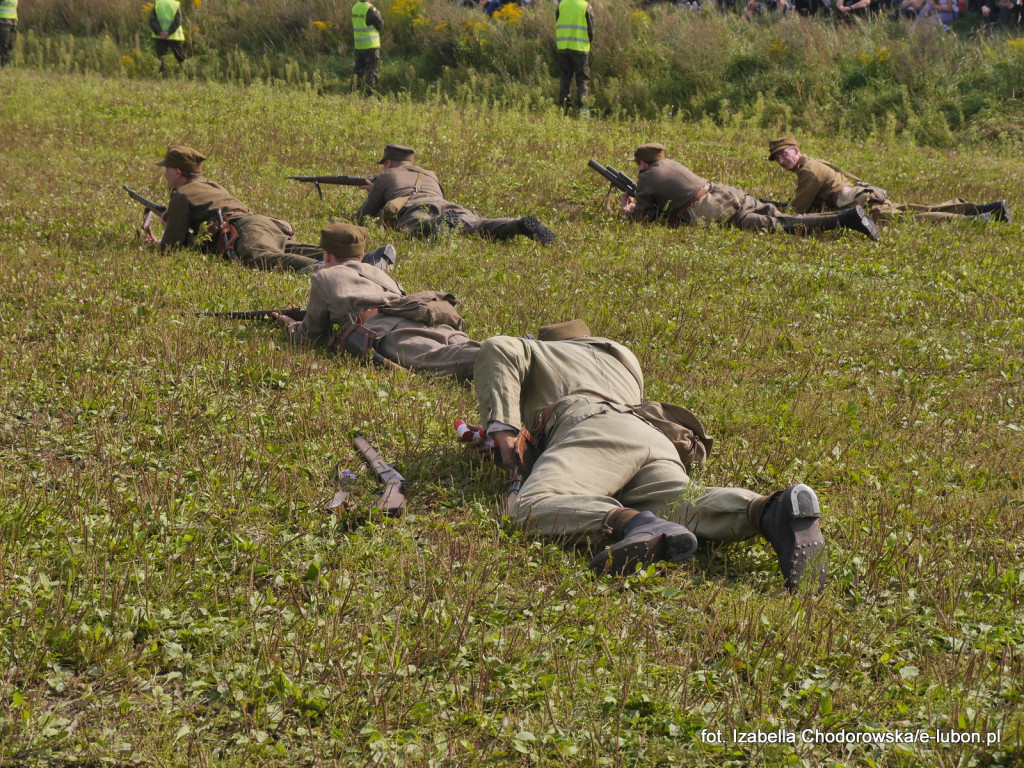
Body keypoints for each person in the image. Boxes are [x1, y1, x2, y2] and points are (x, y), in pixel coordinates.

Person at [469, 319, 827, 592]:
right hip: (650, 435)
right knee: (683, 501)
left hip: (589, 425)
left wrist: (503, 428)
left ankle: (635, 525)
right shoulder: (621, 357)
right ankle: (769, 510)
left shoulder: (542, 351)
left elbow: (498, 349)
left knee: (529, 507)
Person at [273, 223, 481, 379]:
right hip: (424, 319)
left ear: (326, 256)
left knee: (443, 360)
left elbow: (309, 337)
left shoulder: (324, 277)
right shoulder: (378, 271)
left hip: (386, 330)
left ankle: (504, 354)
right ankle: (511, 349)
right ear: (362, 255)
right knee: (470, 347)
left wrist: (291, 324)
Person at [620, 142, 880, 240]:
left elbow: (644, 217)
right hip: (729, 194)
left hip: (718, 211)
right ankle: (845, 218)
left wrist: (628, 211)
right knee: (776, 213)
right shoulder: (669, 164)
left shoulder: (647, 177)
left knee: (782, 224)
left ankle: (845, 219)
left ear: (642, 164)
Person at [152, 145, 326, 273]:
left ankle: (322, 269)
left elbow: (170, 246)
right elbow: (201, 242)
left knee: (257, 258)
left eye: (166, 169)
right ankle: (344, 258)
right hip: (262, 223)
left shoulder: (181, 194)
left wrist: (167, 229)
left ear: (177, 172)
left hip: (242, 228)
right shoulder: (212, 185)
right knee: (290, 249)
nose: (164, 174)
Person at [767, 135, 1012, 224]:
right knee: (917, 209)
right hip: (862, 198)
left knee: (913, 218)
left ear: (796, 150)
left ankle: (978, 219)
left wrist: (776, 210)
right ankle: (987, 210)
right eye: (777, 158)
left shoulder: (808, 171)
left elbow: (797, 209)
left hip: (860, 204)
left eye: (784, 154)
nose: (781, 161)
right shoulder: (811, 164)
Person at [357, 144, 556, 243]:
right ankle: (518, 224)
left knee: (417, 226)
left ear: (389, 162)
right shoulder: (430, 174)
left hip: (414, 207)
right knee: (479, 225)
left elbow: (363, 216)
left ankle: (436, 225)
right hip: (446, 205)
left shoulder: (386, 174)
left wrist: (372, 193)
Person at [555, 0, 594, 113]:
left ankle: (564, 110)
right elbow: (591, 31)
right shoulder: (585, 6)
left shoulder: (561, 5)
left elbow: (557, 23)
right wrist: (588, 43)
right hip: (580, 48)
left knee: (565, 79)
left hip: (563, 48)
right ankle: (583, 110)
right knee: (582, 80)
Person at [352, 0, 383, 95]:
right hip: (371, 44)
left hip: (359, 44)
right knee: (371, 70)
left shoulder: (355, 7)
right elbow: (380, 24)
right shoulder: (370, 9)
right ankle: (370, 94)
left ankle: (353, 92)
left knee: (358, 70)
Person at [149, 0, 187, 74]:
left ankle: (162, 76)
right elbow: (178, 20)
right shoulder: (175, 4)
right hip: (174, 36)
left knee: (161, 58)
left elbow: (152, 20)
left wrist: (159, 32)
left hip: (160, 36)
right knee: (180, 57)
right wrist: (169, 32)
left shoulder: (158, 4)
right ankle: (186, 73)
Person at [0, 0, 17, 68]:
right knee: (4, 43)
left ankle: (6, 61)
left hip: (13, 21)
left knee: (11, 43)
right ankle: (4, 64)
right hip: (3, 19)